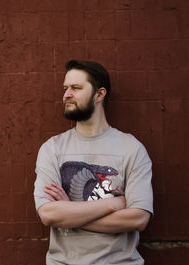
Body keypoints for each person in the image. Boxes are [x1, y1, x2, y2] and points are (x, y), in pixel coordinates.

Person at [34, 60, 153, 265]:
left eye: (76, 88)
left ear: (99, 94)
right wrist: (112, 204)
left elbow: (138, 219)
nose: (66, 94)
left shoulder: (131, 148)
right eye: (65, 88)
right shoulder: (52, 149)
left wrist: (70, 212)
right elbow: (49, 214)